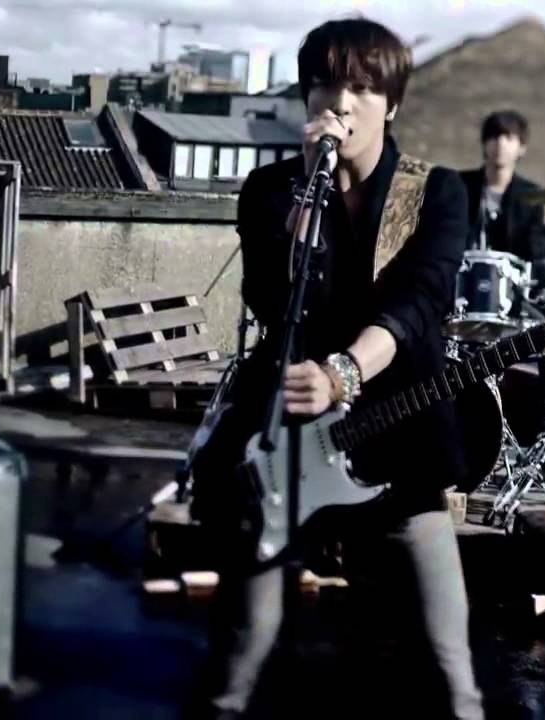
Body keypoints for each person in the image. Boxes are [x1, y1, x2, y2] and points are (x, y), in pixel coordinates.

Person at [188, 17, 483, 720]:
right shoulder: (270, 191)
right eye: (325, 84)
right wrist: (306, 200)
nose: (341, 102)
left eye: (362, 87)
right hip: (284, 442)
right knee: (240, 652)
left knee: (448, 667)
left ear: (392, 102)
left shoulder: (436, 192)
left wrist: (345, 371)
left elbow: (419, 303)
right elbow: (271, 295)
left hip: (397, 437)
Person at [458, 110, 545, 260]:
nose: (500, 144)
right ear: (484, 143)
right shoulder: (461, 185)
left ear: (522, 148)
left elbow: (532, 252)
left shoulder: (531, 195)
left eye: (509, 138)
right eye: (494, 137)